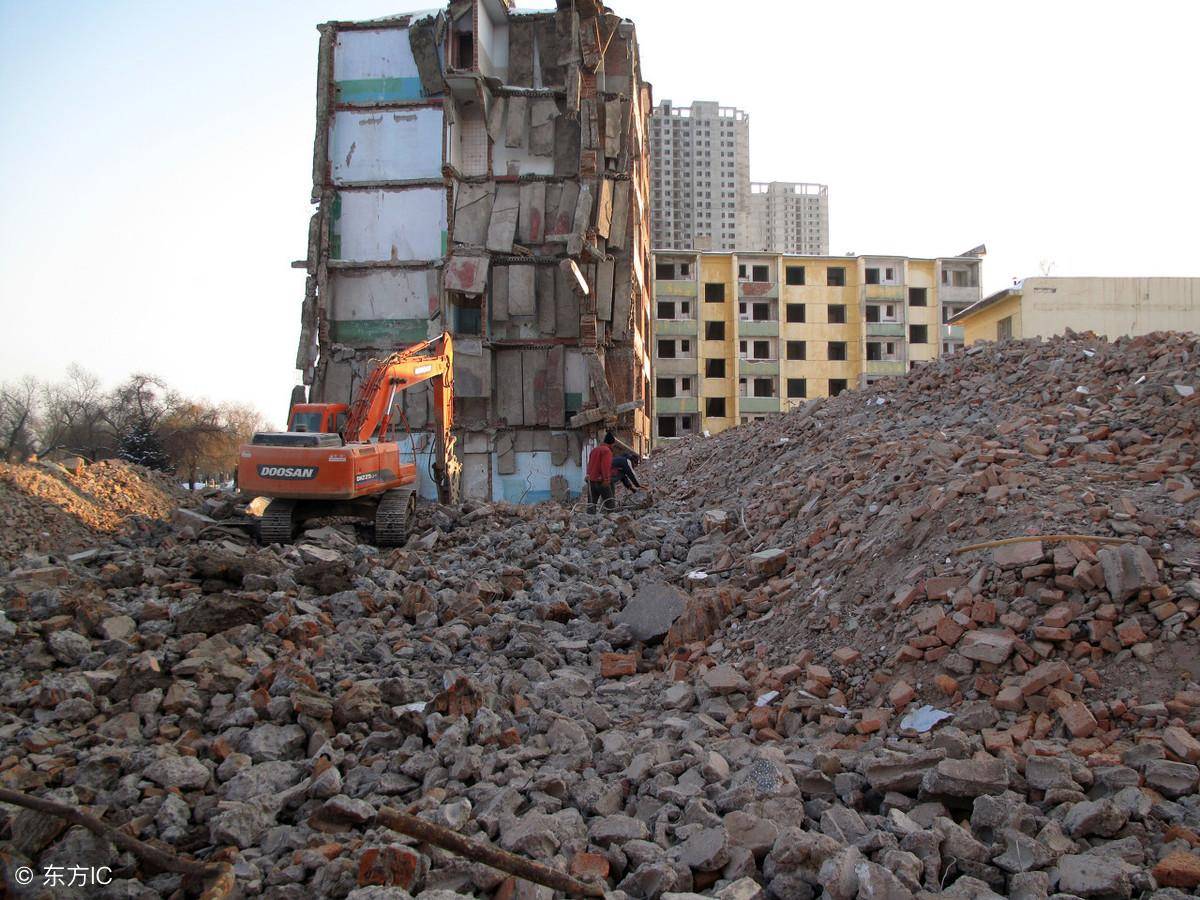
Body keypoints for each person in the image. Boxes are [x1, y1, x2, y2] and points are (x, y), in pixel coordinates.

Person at [585, 431, 616, 513]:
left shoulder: (594, 450)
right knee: (610, 504)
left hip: (591, 480)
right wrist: (606, 479)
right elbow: (605, 466)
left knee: (591, 505)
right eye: (613, 445)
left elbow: (589, 464)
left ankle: (589, 522)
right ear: (611, 443)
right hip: (601, 481)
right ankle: (612, 521)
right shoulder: (607, 451)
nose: (614, 446)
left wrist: (588, 474)